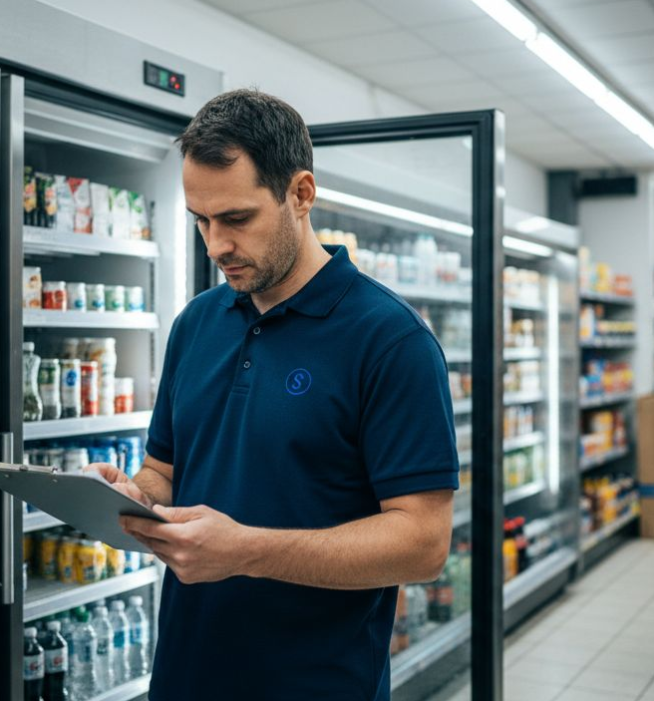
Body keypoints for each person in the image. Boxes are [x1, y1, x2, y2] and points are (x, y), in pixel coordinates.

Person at [91, 89, 459, 700]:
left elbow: (423, 543)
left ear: (301, 194)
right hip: (186, 674)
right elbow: (165, 469)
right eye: (201, 222)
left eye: (236, 219)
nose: (215, 246)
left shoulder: (390, 340)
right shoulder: (196, 323)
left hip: (316, 683)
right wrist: (135, 496)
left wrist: (246, 552)